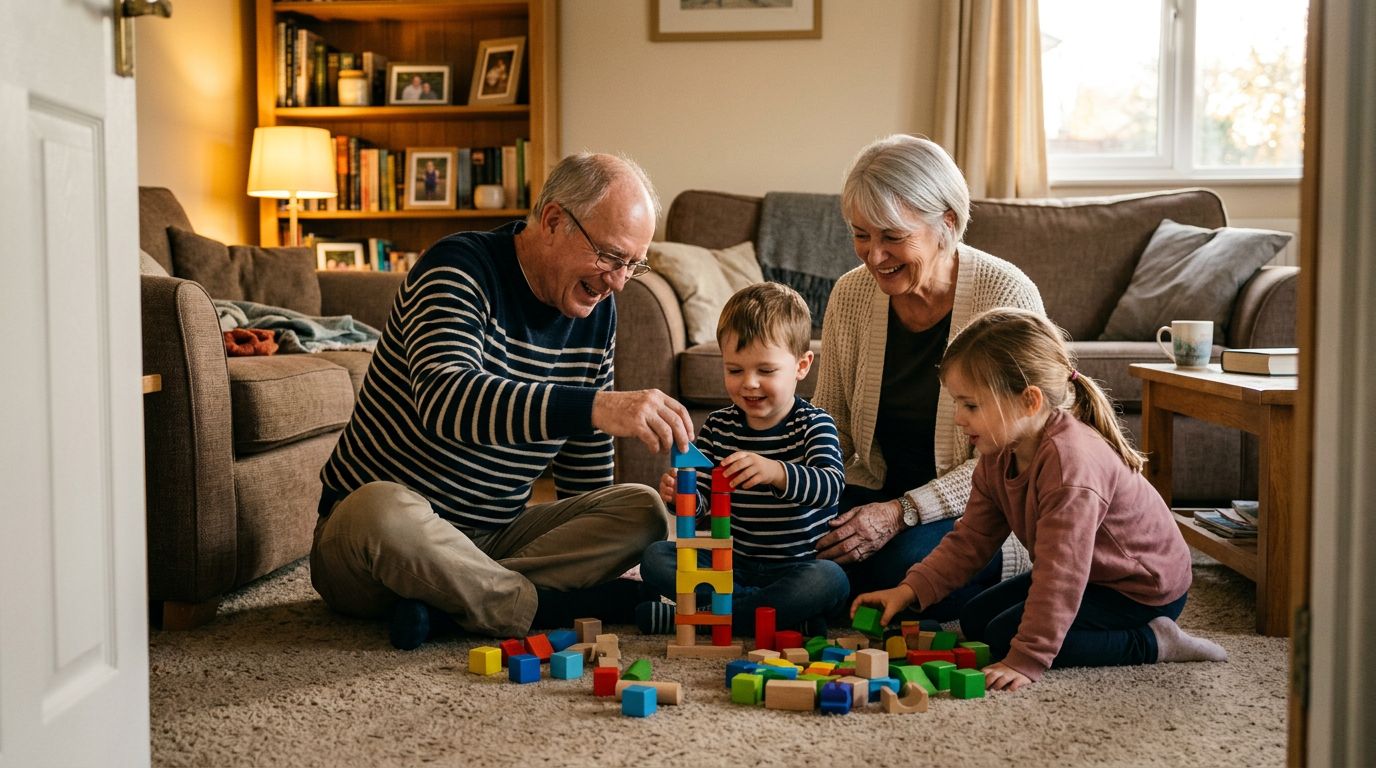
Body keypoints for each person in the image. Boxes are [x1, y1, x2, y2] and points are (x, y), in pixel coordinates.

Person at [311, 152, 695, 649]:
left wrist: (597, 530)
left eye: (632, 265)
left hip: (495, 535)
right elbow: (445, 399)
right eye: (610, 257)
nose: (618, 281)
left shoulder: (597, 311)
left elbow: (583, 461)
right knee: (377, 510)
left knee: (641, 511)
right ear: (555, 220)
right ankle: (542, 606)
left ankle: (455, 602)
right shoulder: (458, 267)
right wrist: (597, 406)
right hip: (381, 542)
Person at [852, 308, 1228, 690]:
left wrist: (1027, 658)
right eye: (957, 403)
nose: (959, 418)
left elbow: (1061, 576)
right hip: (1092, 574)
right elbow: (970, 541)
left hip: (1141, 589)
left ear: (1029, 401)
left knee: (1004, 638)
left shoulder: (1070, 467)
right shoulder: (999, 452)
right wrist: (908, 590)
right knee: (976, 619)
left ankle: (1153, 641)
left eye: (971, 405)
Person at [812, 134, 1046, 619]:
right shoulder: (850, 296)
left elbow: (1012, 454)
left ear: (948, 223)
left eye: (892, 236)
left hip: (979, 510)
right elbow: (830, 425)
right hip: (876, 488)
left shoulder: (1004, 293)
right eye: (861, 234)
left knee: (903, 571)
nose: (874, 256)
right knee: (793, 546)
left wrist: (902, 512)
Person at [637, 282, 848, 636]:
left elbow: (830, 486)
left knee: (831, 580)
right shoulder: (720, 426)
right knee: (656, 558)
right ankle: (775, 615)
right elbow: (701, 502)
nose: (749, 383)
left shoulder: (814, 424)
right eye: (735, 370)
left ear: (801, 365)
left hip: (797, 566)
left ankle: (708, 617)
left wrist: (777, 472)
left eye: (765, 371)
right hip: (731, 564)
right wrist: (681, 496)